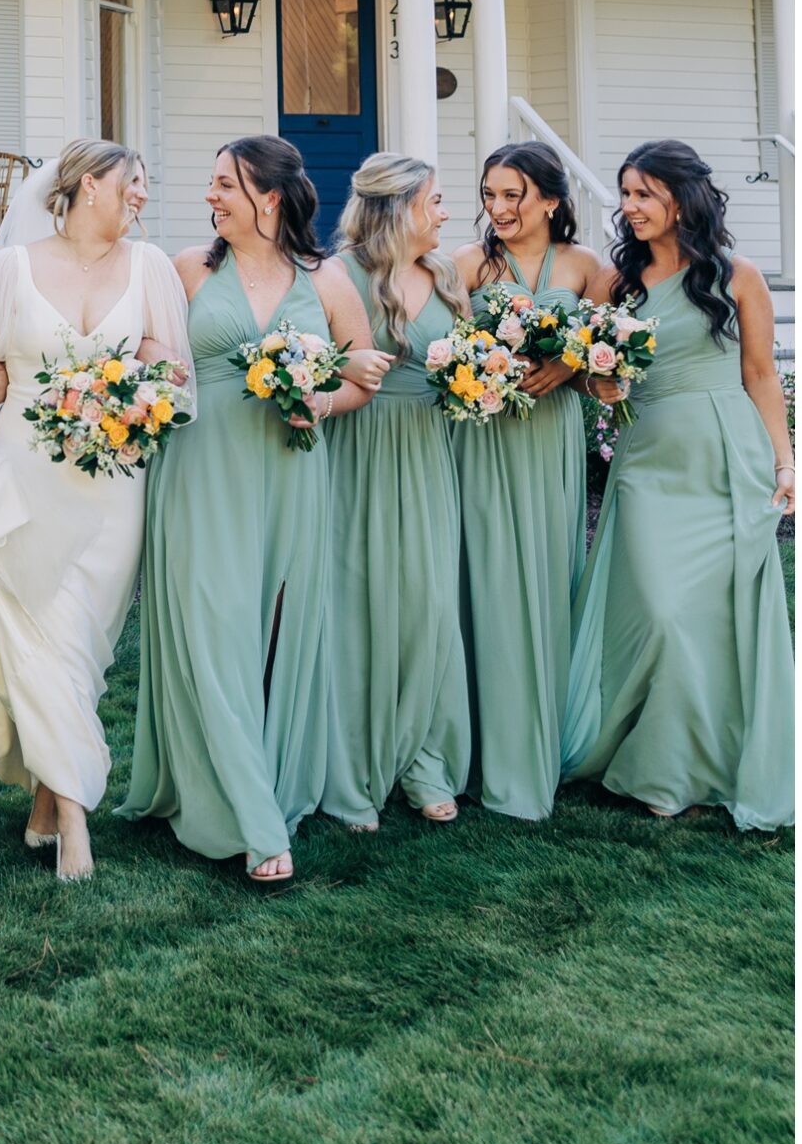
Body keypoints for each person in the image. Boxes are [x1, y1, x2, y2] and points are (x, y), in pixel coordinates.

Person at [123, 137, 386, 882]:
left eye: (224, 185)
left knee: (277, 630)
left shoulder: (326, 279)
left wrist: (323, 399)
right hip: (202, 472)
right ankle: (247, 817)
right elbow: (151, 358)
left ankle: (274, 778)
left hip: (289, 471)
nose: (211, 197)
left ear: (268, 196)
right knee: (212, 631)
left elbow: (360, 376)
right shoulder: (189, 272)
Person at [0, 138, 193, 882]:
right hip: (24, 476)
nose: (142, 196)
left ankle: (47, 802)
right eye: (133, 183)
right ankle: (76, 825)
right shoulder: (11, 270)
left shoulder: (151, 270)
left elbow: (179, 389)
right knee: (40, 640)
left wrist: (145, 384)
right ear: (90, 186)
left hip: (112, 485)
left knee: (81, 653)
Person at [563, 140, 794, 830]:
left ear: (682, 199)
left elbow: (760, 375)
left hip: (726, 459)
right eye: (625, 194)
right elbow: (595, 381)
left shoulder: (739, 276)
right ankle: (647, 755)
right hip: (648, 464)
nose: (628, 207)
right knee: (661, 615)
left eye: (643, 194)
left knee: (710, 623)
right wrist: (598, 381)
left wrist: (786, 463)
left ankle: (687, 771)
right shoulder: (616, 284)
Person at [320, 153, 472, 829]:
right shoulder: (339, 274)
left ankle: (424, 758)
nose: (444, 212)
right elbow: (310, 360)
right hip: (358, 448)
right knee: (357, 604)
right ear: (400, 206)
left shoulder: (445, 277)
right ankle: (353, 768)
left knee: (429, 604)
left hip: (428, 451)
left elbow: (463, 364)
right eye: (435, 200)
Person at [451, 143, 599, 821]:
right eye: (489, 196)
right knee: (486, 576)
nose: (498, 209)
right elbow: (444, 346)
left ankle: (546, 736)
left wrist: (569, 366)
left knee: (545, 575)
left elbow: (607, 357)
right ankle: (480, 748)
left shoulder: (586, 268)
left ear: (550, 200)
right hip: (484, 437)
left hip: (552, 437)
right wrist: (480, 368)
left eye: (512, 195)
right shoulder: (469, 266)